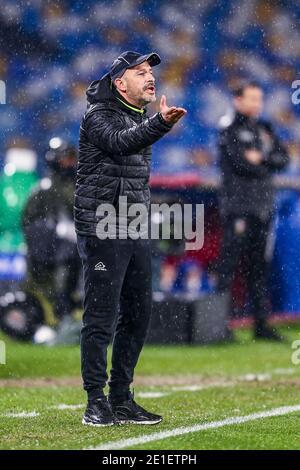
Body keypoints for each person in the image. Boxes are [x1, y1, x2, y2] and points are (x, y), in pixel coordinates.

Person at [75, 51, 187, 426]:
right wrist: (160, 124)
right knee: (101, 316)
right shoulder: (99, 115)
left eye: (151, 72)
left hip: (133, 225)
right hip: (102, 228)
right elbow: (121, 143)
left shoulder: (138, 117)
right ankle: (95, 399)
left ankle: (121, 398)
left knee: (138, 315)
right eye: (140, 72)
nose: (149, 77)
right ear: (119, 83)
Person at [217, 80, 289, 341]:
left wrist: (262, 160)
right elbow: (241, 165)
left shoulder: (265, 127)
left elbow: (284, 159)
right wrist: (265, 163)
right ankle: (218, 324)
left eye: (259, 99)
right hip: (239, 207)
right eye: (252, 99)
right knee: (229, 265)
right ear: (238, 100)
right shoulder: (228, 127)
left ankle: (261, 325)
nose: (257, 104)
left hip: (262, 207)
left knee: (259, 267)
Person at [23, 138, 81, 323]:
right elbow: (30, 223)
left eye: (73, 157)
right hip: (52, 252)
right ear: (54, 159)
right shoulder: (44, 189)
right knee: (59, 279)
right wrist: (54, 232)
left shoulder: (79, 184)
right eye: (67, 158)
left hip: (77, 245)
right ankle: (61, 313)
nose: (71, 162)